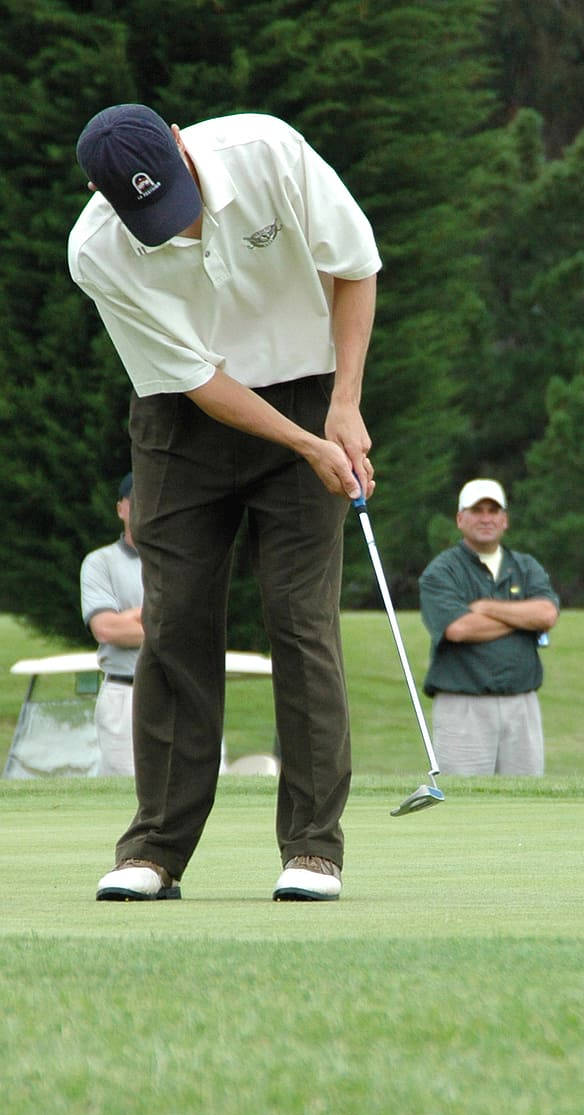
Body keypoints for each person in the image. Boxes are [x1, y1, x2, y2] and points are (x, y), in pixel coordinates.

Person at [68, 103, 381, 902]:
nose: (173, 231)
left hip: (309, 385)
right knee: (174, 620)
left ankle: (314, 848)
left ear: (180, 144)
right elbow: (203, 382)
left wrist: (341, 408)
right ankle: (155, 850)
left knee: (299, 619)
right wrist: (307, 445)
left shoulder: (268, 150)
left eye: (172, 200)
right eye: (148, 218)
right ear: (106, 199)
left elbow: (354, 264)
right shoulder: (96, 250)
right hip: (186, 416)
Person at [418, 479, 560, 776]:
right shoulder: (441, 571)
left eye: (493, 511)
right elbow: (458, 628)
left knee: (526, 805)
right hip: (463, 707)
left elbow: (546, 614)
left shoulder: (526, 565)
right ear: (460, 519)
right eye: (476, 510)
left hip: (522, 704)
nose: (486, 518)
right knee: (464, 807)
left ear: (504, 519)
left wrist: (485, 607)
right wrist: (521, 620)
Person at [79, 472, 143, 777]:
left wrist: (132, 616)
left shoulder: (178, 564)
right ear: (121, 508)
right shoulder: (100, 562)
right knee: (125, 784)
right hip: (124, 692)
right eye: (135, 501)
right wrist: (158, 620)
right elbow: (106, 629)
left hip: (176, 690)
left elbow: (189, 631)